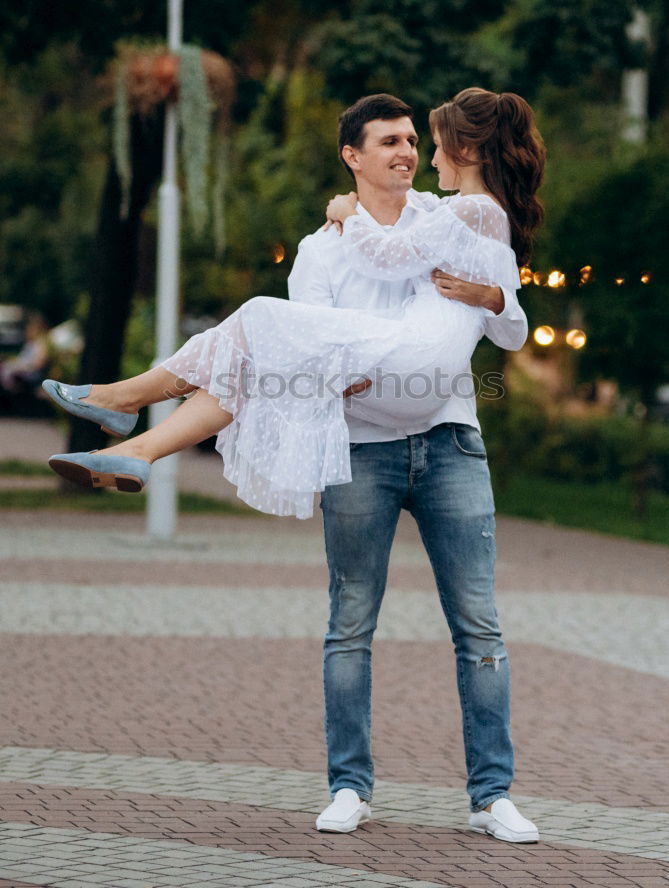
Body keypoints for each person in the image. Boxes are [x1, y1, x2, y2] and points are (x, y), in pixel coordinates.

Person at [44, 87, 544, 842]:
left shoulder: (455, 214)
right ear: (353, 155)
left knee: (479, 628)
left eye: (424, 140)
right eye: (395, 142)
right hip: (364, 444)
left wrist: (475, 285)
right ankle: (349, 786)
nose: (416, 153)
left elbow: (507, 324)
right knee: (348, 621)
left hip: (444, 437)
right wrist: (344, 247)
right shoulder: (338, 244)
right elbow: (327, 328)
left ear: (462, 150)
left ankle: (490, 798)